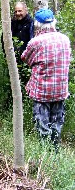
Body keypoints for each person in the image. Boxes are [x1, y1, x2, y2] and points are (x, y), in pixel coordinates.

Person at [21, 8, 71, 151]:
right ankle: (54, 152)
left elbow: (25, 58)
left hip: (42, 90)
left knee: (43, 125)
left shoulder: (35, 42)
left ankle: (45, 154)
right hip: (60, 90)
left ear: (37, 24)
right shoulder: (65, 39)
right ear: (53, 21)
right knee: (57, 123)